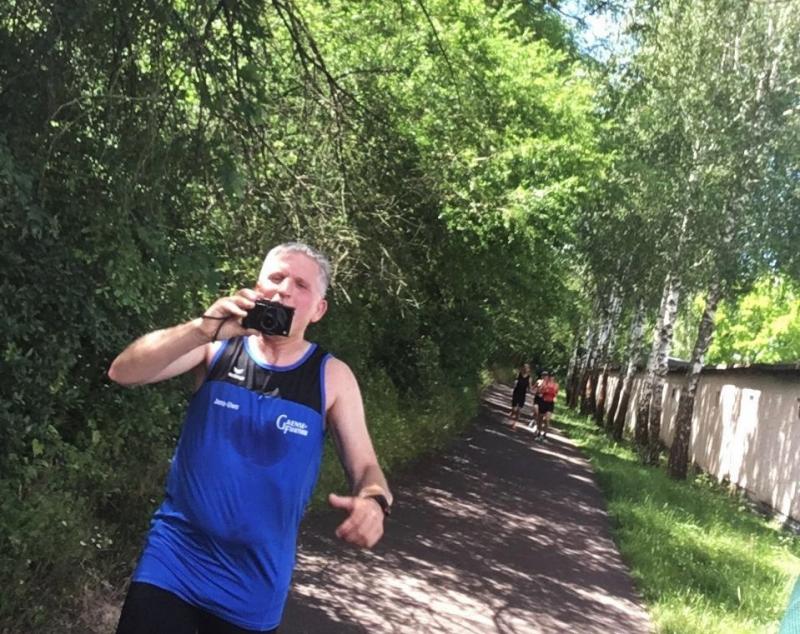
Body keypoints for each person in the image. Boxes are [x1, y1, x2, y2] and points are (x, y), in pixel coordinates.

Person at [109, 242, 392, 634]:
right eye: (275, 277)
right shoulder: (216, 346)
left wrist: (374, 502)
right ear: (257, 287)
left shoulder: (331, 377)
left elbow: (366, 467)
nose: (284, 290)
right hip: (174, 560)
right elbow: (123, 372)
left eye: (301, 285)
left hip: (254, 585)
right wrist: (202, 327)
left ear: (318, 309)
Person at [537, 371, 559, 440]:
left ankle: (545, 434)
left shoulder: (556, 385)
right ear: (548, 377)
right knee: (540, 418)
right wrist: (542, 392)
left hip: (550, 403)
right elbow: (539, 391)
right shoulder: (544, 383)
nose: (552, 378)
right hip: (543, 402)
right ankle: (539, 432)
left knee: (547, 419)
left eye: (553, 376)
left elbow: (556, 393)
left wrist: (555, 397)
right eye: (550, 376)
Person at [509, 363, 531, 431]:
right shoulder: (518, 375)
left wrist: (529, 389)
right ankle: (512, 413)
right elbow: (514, 382)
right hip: (516, 393)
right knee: (514, 409)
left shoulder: (529, 378)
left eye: (527, 368)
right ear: (522, 368)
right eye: (524, 367)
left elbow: (529, 387)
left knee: (519, 410)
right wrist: (514, 384)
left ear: (529, 369)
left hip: (522, 394)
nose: (525, 369)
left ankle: (514, 424)